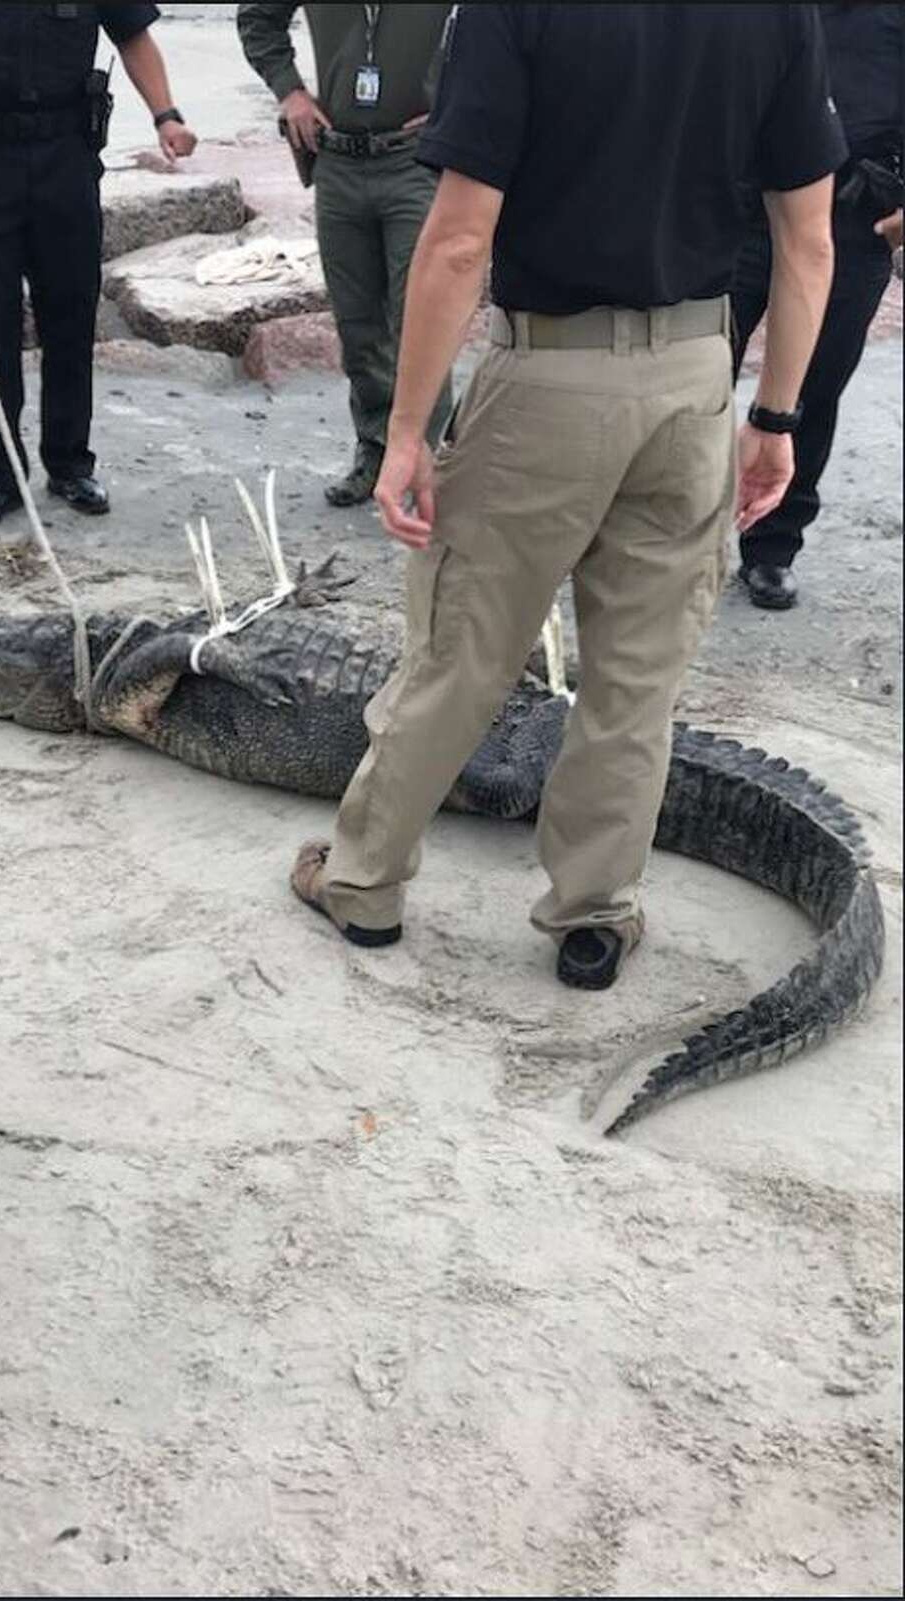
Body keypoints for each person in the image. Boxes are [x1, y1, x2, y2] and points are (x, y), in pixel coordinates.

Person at [290, 3, 846, 991]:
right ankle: (593, 914)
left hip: (546, 374)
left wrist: (407, 429)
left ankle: (366, 882)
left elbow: (460, 241)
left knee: (462, 651)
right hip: (691, 376)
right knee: (637, 677)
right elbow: (807, 242)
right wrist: (778, 416)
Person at [0, 4, 198, 531]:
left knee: (71, 313)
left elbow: (133, 36)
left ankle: (70, 464)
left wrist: (166, 114)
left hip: (66, 152)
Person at [238, 3, 453, 508]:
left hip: (415, 160)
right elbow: (256, 18)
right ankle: (375, 449)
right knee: (357, 325)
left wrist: (458, 100)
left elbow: (508, 28)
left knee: (420, 317)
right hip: (336, 158)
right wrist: (289, 91)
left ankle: (425, 455)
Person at [730, 1, 902, 611]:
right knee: (693, 368)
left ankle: (773, 545)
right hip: (744, 203)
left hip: (856, 212)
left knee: (814, 386)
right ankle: (664, 532)